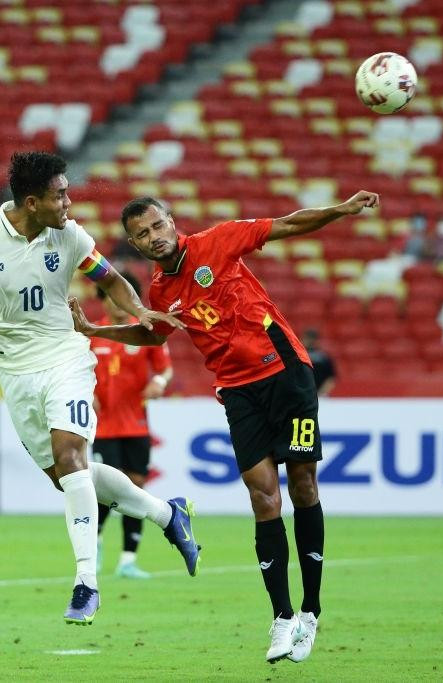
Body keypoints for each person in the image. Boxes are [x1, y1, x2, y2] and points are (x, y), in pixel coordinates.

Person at [69, 190, 380, 661]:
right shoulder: (160, 292)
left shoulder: (219, 241)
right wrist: (96, 332)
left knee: (303, 485)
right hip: (237, 390)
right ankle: (282, 617)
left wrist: (341, 209)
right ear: (135, 245)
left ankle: (311, 611)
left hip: (286, 373)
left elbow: (288, 224)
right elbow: (152, 332)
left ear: (172, 222)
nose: (154, 238)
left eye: (157, 226)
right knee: (261, 494)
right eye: (142, 235)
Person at [0, 151, 200, 626]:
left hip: (66, 358)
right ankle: (167, 514)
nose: (69, 201)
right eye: (60, 195)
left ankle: (86, 583)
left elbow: (112, 279)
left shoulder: (71, 235)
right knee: (68, 477)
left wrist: (141, 313)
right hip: (14, 372)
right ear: (32, 201)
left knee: (73, 459)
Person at [90, 273, 174, 579]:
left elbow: (165, 370)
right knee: (106, 491)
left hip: (136, 425)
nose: (120, 303)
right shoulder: (92, 332)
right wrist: (87, 392)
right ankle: (95, 544)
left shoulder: (143, 332)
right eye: (113, 296)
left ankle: (128, 560)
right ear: (102, 300)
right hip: (103, 428)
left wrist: (158, 382)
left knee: (137, 490)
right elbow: (75, 370)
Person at [300, 328, 336, 396]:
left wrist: (321, 393)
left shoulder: (323, 357)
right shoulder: (297, 356)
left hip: (318, 395)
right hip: (303, 394)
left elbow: (331, 378)